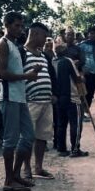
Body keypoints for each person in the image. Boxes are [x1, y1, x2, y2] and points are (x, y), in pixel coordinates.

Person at [0, 11, 39, 191]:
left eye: (21, 26)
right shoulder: (3, 44)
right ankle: (8, 180)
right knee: (10, 140)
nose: (20, 29)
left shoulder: (14, 45)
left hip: (19, 97)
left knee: (28, 136)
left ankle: (15, 175)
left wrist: (29, 76)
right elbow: (2, 74)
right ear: (6, 24)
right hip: (9, 97)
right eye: (16, 26)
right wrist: (27, 75)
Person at [22, 22, 56, 180]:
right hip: (30, 102)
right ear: (35, 34)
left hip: (46, 102)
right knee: (27, 137)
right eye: (44, 36)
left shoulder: (43, 55)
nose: (45, 40)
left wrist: (53, 93)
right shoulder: (21, 53)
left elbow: (50, 76)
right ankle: (26, 168)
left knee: (42, 136)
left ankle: (38, 167)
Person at [53, 42, 88, 157]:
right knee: (76, 124)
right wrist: (82, 78)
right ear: (65, 51)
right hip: (72, 97)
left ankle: (61, 149)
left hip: (58, 98)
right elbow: (77, 78)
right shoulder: (68, 61)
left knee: (61, 124)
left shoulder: (53, 61)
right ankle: (75, 149)